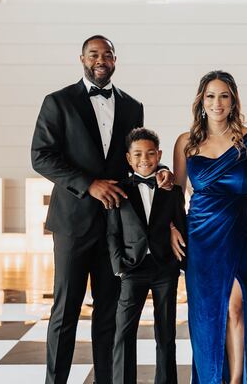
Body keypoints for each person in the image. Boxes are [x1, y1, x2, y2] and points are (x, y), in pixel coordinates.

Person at [31, 35, 173, 384]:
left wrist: (160, 172)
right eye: (94, 54)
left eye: (107, 54)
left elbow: (137, 159)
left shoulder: (132, 106)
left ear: (115, 60)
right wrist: (88, 184)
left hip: (118, 229)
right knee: (65, 311)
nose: (100, 60)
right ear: (82, 58)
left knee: (109, 312)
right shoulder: (58, 102)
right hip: (73, 222)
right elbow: (41, 156)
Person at [171, 70, 247, 384]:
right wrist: (172, 226)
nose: (217, 102)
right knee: (207, 313)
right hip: (201, 235)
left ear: (233, 100)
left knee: (236, 306)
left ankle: (236, 379)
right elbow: (176, 191)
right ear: (202, 100)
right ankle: (211, 377)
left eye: (224, 95)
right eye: (211, 96)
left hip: (243, 229)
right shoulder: (186, 142)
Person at [106, 128, 187, 384]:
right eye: (138, 154)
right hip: (132, 268)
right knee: (124, 332)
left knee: (165, 333)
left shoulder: (171, 190)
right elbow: (112, 232)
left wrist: (180, 262)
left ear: (159, 155)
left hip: (164, 268)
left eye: (151, 153)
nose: (145, 159)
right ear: (129, 159)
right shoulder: (119, 189)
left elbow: (179, 223)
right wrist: (119, 265)